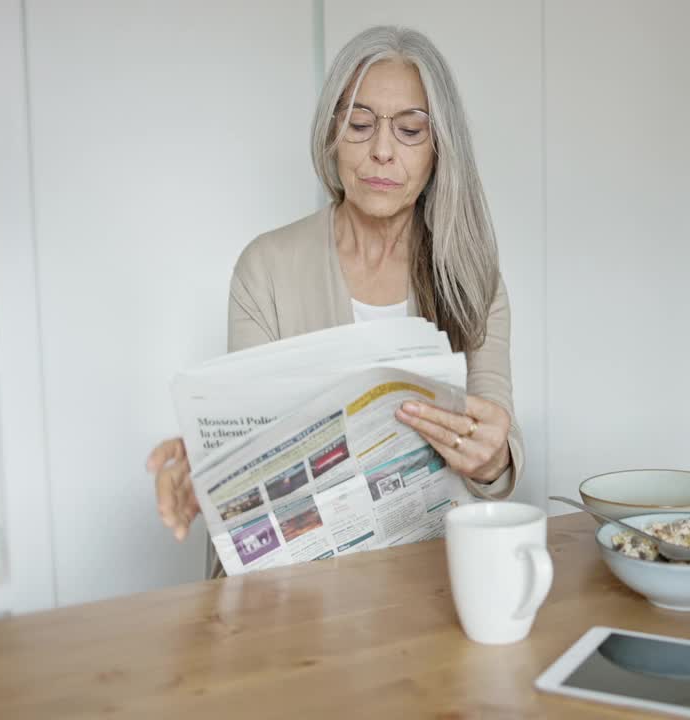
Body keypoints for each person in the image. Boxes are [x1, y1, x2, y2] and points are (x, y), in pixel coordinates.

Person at [145, 26, 524, 570]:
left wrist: (493, 457)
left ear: (440, 148)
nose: (381, 151)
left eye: (410, 129)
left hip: (425, 577)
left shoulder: (472, 274)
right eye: (360, 124)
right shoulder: (266, 268)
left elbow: (499, 436)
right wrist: (208, 470)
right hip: (301, 589)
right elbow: (251, 446)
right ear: (331, 135)